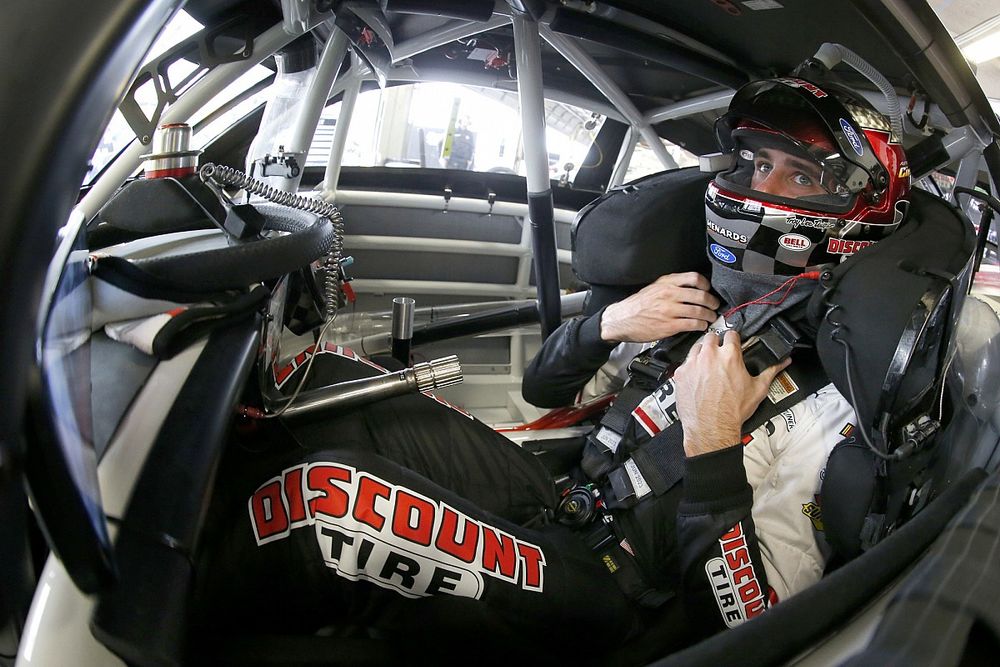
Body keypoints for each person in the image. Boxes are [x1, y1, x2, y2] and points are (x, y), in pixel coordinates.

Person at [192, 77, 909, 662]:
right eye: (756, 162)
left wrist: (714, 441)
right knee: (325, 384)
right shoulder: (698, 302)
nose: (763, 182)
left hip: (610, 600)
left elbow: (746, 625)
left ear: (851, 209)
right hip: (563, 494)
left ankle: (160, 617)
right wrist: (608, 324)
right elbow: (543, 388)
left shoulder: (835, 407)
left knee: (334, 506)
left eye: (799, 173)